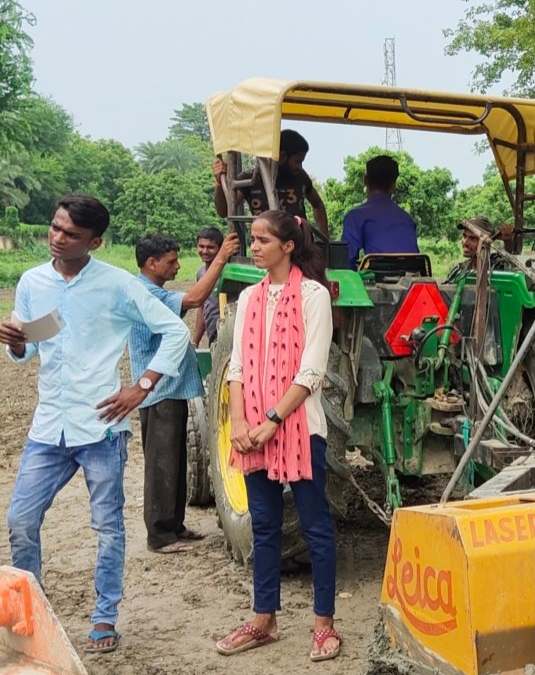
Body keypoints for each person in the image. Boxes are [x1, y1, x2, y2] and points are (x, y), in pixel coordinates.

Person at [0, 194, 191, 654]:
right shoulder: (33, 282)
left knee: (107, 526)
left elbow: (177, 331)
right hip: (49, 427)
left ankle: (104, 616)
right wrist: (18, 345)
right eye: (55, 227)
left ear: (95, 241)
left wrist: (141, 386)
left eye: (70, 234)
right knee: (20, 522)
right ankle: (33, 612)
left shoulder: (118, 285)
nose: (57, 237)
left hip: (101, 427)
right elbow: (39, 345)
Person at [214, 210, 339, 661]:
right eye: (254, 238)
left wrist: (271, 419)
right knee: (265, 526)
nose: (255, 245)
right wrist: (242, 423)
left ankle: (324, 625)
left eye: (264, 239)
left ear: (288, 246)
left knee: (315, 527)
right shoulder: (248, 297)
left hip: (301, 429)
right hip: (254, 430)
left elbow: (312, 370)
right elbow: (237, 366)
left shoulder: (313, 296)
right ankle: (263, 620)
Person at [132, 231, 237, 554]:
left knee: (175, 461)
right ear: (151, 264)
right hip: (159, 391)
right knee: (162, 463)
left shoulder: (153, 289)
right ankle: (160, 536)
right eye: (171, 261)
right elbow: (192, 300)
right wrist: (220, 258)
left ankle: (174, 525)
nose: (178, 266)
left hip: (171, 389)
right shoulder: (145, 294)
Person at [212, 129, 330, 235]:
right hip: (267, 245)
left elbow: (317, 204)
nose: (300, 167)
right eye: (297, 161)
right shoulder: (249, 179)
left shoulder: (301, 177)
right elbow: (224, 211)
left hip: (298, 246)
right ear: (283, 156)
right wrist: (219, 182)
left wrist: (325, 237)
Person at [341, 155, 419, 268]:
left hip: (377, 280)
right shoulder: (407, 218)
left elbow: (346, 261)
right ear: (393, 185)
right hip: (411, 279)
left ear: (365, 181)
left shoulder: (355, 217)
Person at [445, 216, 506, 284]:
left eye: (472, 238)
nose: (465, 242)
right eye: (464, 236)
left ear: (485, 243)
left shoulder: (497, 265)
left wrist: (508, 242)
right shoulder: (459, 270)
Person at [193, 227, 226, 346]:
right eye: (201, 246)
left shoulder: (227, 273)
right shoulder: (201, 273)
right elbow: (202, 308)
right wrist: (195, 341)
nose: (205, 251)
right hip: (213, 335)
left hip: (228, 336)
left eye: (210, 247)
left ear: (221, 249)